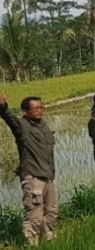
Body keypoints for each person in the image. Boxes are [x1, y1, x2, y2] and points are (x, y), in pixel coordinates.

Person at [0, 92, 57, 246]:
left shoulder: (43, 126)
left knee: (51, 212)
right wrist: (2, 106)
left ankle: (49, 241)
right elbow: (10, 119)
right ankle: (32, 245)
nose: (40, 110)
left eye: (41, 107)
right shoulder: (22, 127)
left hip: (48, 176)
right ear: (25, 112)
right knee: (34, 215)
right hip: (33, 177)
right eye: (36, 108)